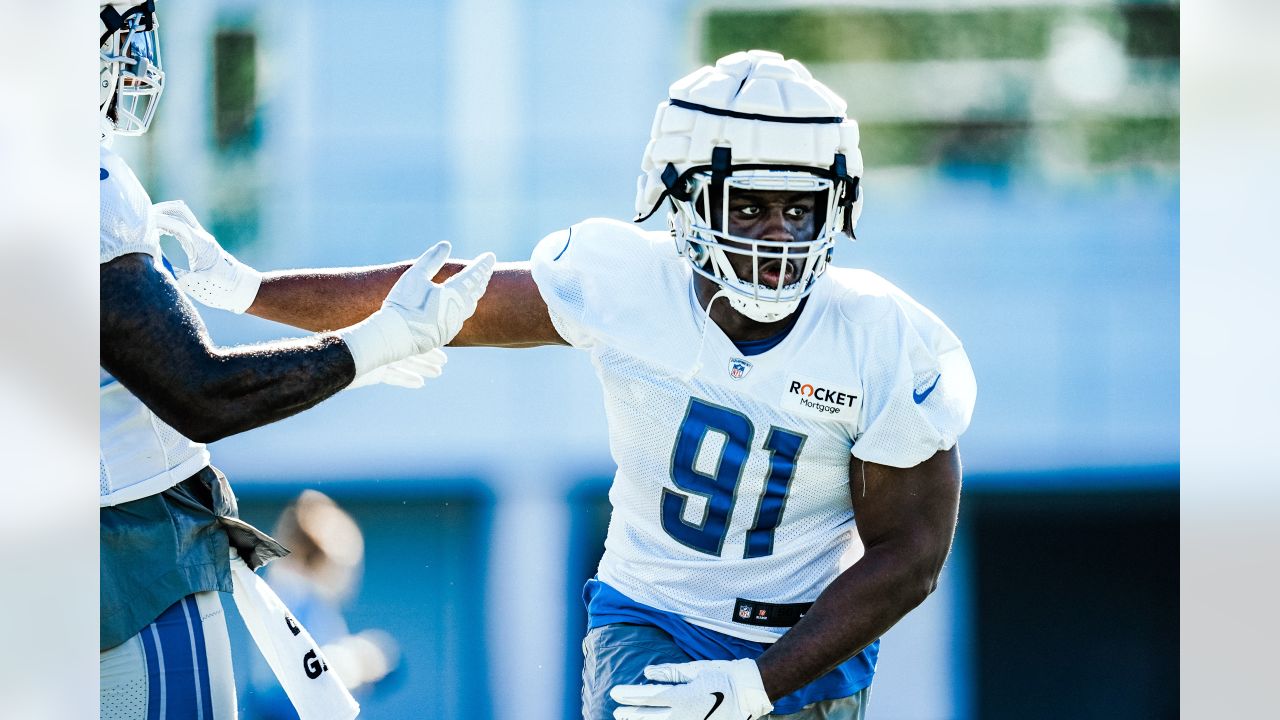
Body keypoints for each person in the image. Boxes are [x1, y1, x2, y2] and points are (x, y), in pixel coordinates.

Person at [176, 50, 976, 719]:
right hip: (655, 616)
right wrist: (249, 289)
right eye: (752, 205)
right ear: (686, 197)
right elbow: (444, 295)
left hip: (807, 642)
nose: (777, 236)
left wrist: (755, 683)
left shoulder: (878, 339)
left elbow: (911, 554)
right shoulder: (627, 283)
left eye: (799, 210)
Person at [97, 2, 495, 717]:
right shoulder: (78, 187)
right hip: (123, 555)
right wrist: (374, 344)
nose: (129, 46)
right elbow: (200, 393)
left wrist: (250, 290)